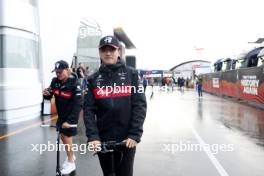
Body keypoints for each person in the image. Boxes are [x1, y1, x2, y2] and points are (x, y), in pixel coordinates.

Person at [83, 35, 147, 176]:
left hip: (126, 139)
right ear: (99, 53)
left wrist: (134, 134)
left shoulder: (133, 75)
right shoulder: (92, 79)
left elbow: (140, 106)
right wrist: (93, 136)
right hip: (102, 140)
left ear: (118, 52)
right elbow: (88, 110)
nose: (108, 53)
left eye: (111, 49)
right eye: (104, 50)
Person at [43, 60, 82, 174]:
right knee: (63, 137)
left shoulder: (75, 83)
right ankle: (72, 157)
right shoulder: (54, 81)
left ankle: (71, 163)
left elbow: (78, 104)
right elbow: (50, 95)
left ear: (68, 70)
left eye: (60, 72)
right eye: (56, 72)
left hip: (70, 117)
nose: (58, 74)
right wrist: (46, 94)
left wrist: (70, 121)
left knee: (67, 137)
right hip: (61, 116)